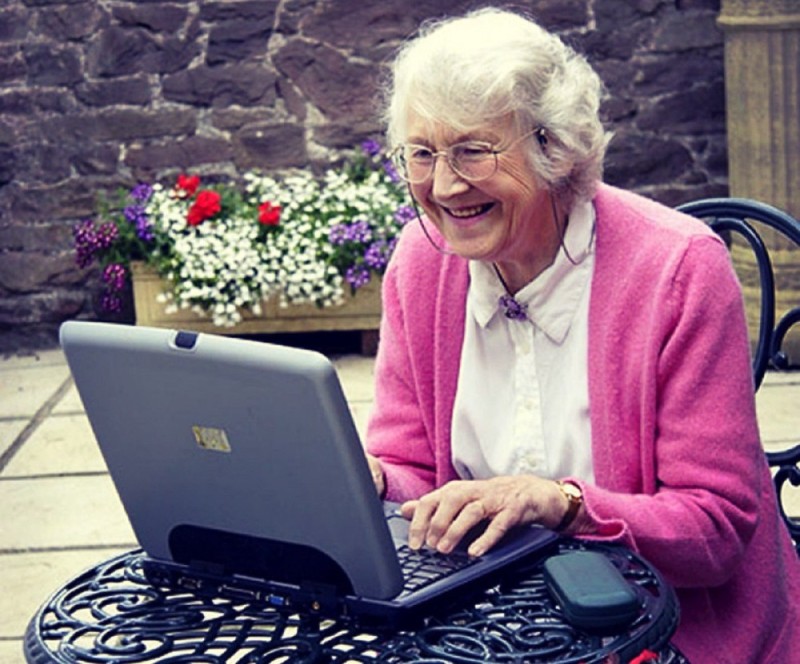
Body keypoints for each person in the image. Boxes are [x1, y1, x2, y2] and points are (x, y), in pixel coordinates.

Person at [363, 7, 800, 663]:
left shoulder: (678, 270)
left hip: (673, 632)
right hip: (488, 625)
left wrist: (560, 504)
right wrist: (367, 482)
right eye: (422, 154)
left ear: (553, 148)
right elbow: (413, 475)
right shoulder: (421, 265)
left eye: (473, 151)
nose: (445, 184)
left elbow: (714, 530)